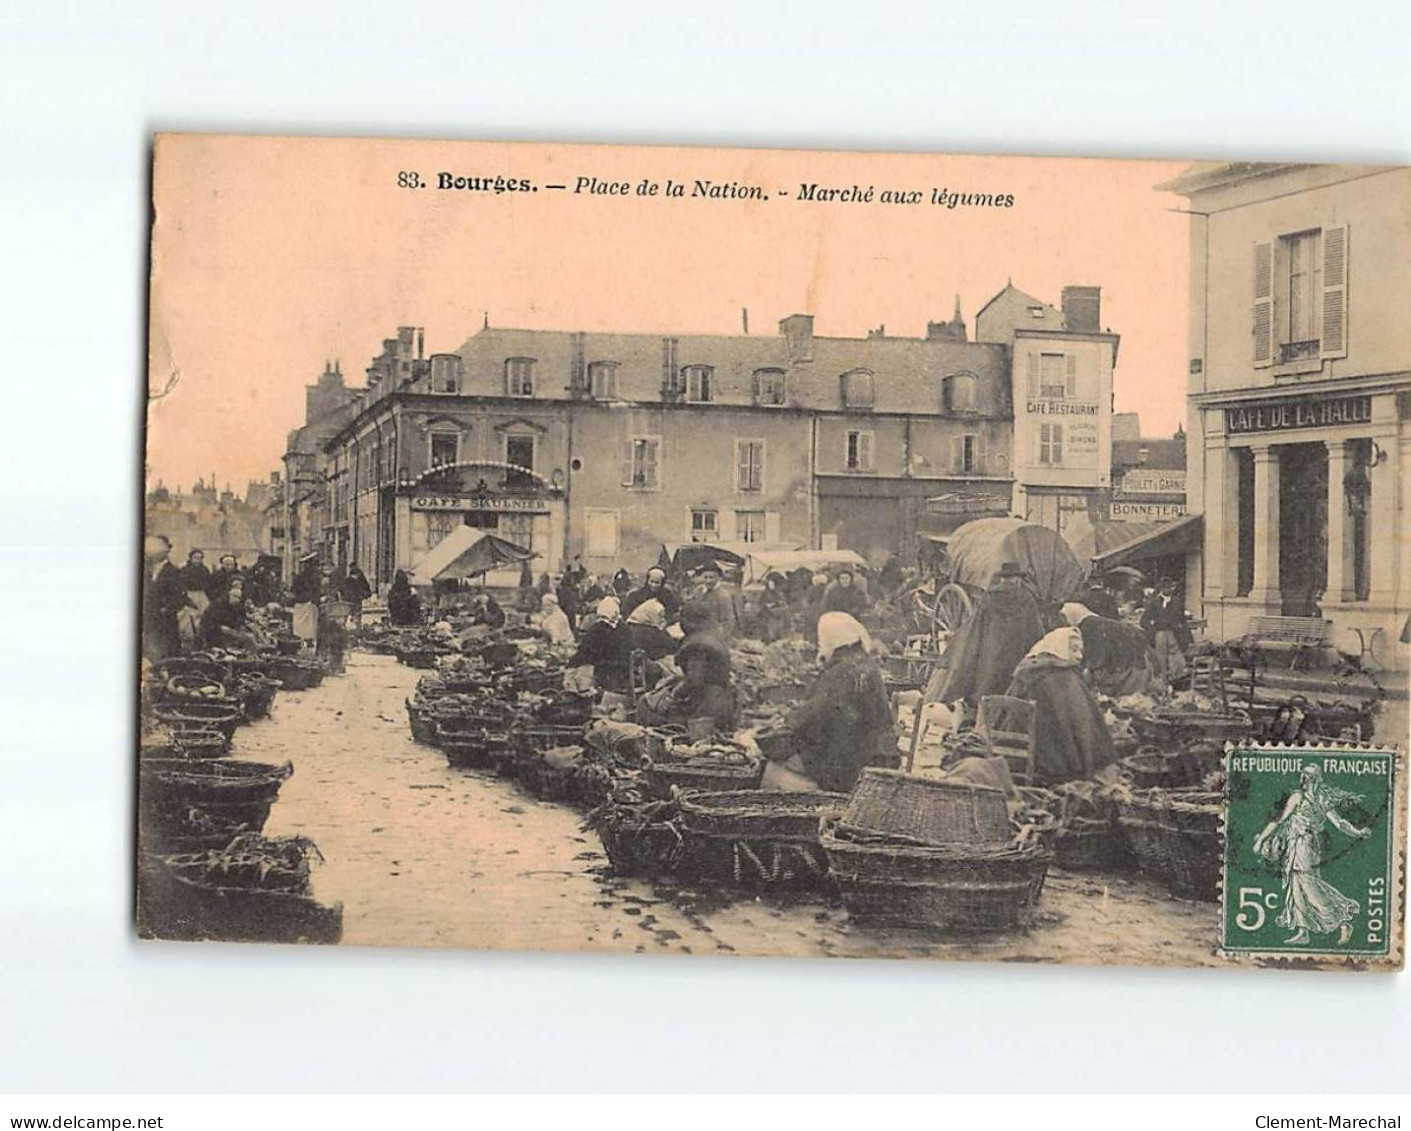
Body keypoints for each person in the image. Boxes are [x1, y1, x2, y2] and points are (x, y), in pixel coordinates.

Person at [1253, 763, 1370, 946]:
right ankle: (1303, 931)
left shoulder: (1303, 798)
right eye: (1305, 775)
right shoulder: (1316, 798)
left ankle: (1342, 921)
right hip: (1299, 845)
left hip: (1303, 845)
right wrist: (1358, 832)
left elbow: (1279, 820)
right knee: (1297, 886)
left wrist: (1261, 840)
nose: (1305, 778)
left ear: (1310, 779)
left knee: (1307, 885)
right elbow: (1340, 823)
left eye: (1307, 775)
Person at [782, 612, 896, 792]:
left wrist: (789, 722)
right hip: (872, 753)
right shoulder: (866, 664)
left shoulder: (841, 671)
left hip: (845, 762)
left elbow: (815, 714)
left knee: (785, 761)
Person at [1005, 627, 1118, 787]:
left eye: (1080, 651)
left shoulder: (1027, 668)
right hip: (1050, 756)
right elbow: (1082, 723)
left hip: (1016, 751)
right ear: (1058, 647)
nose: (1079, 656)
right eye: (1073, 650)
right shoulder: (1063, 678)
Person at [933, 561, 1045, 709]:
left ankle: (983, 712)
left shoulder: (991, 597)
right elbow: (1035, 630)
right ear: (1017, 579)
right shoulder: (1026, 598)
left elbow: (977, 626)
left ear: (1002, 579)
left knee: (987, 682)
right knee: (1014, 685)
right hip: (1017, 652)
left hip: (991, 654)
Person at [637, 630, 736, 733]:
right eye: (691, 659)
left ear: (710, 666)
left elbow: (697, 726)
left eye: (701, 660)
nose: (694, 664)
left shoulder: (716, 695)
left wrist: (661, 720)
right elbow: (650, 700)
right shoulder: (678, 683)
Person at [1061, 601, 1154, 697]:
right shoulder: (1101, 622)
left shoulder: (1088, 627)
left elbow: (1092, 662)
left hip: (1128, 669)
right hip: (1139, 664)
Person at [142, 534, 187, 661]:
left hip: (165, 619)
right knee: (150, 649)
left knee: (167, 649)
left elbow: (179, 597)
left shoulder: (173, 571)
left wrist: (167, 609)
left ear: (167, 551)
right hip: (150, 617)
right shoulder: (148, 570)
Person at [571, 596, 629, 693]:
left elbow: (586, 649)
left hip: (606, 667)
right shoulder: (623, 627)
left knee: (579, 669)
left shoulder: (598, 628)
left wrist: (572, 661)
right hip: (622, 665)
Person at [1142, 578, 1193, 684]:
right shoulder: (1154, 602)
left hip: (1174, 634)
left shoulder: (1177, 602)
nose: (1167, 589)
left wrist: (1186, 636)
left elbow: (1182, 620)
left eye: (1169, 587)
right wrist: (1153, 630)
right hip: (1159, 634)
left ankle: (1176, 679)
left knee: (1177, 658)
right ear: (1160, 588)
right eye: (1164, 587)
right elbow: (1144, 620)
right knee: (1160, 660)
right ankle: (1163, 681)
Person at [683, 565, 740, 640]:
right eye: (705, 577)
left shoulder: (723, 596)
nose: (708, 581)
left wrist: (717, 638)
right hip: (701, 630)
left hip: (716, 635)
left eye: (711, 578)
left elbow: (728, 621)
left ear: (719, 578)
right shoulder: (700, 590)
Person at [177, 548, 213, 651]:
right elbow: (181, 583)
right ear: (191, 558)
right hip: (189, 595)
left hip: (201, 595)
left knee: (204, 615)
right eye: (195, 558)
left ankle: (202, 640)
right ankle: (187, 640)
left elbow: (208, 583)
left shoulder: (205, 570)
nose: (197, 560)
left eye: (200, 558)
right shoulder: (185, 569)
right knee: (187, 617)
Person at [758, 572, 791, 642]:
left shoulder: (778, 593)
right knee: (770, 637)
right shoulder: (767, 594)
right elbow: (766, 606)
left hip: (777, 620)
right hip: (769, 619)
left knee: (777, 636)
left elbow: (783, 605)